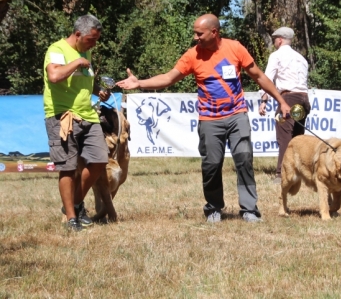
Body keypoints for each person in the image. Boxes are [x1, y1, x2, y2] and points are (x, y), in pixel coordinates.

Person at [116, 14, 291, 223]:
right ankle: (214, 208)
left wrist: (281, 100)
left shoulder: (235, 48)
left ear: (214, 32)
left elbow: (260, 76)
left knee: (244, 159)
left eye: (199, 33)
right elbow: (169, 77)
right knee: (211, 165)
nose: (195, 37)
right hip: (209, 119)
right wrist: (139, 83)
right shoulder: (192, 55)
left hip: (237, 115)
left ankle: (249, 209)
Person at [43, 14, 111, 232]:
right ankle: (72, 218)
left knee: (100, 160)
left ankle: (75, 203)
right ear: (78, 34)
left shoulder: (85, 51)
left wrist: (97, 90)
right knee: (68, 168)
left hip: (89, 115)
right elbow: (54, 76)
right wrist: (77, 62)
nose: (94, 44)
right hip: (63, 116)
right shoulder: (57, 50)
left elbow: (83, 80)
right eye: (91, 39)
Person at [258, 27, 310, 184]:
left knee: (284, 136)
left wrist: (264, 100)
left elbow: (267, 80)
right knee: (298, 137)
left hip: (288, 98)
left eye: (275, 39)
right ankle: (300, 172)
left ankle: (282, 174)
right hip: (304, 99)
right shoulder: (301, 58)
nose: (274, 42)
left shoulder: (277, 56)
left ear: (279, 40)